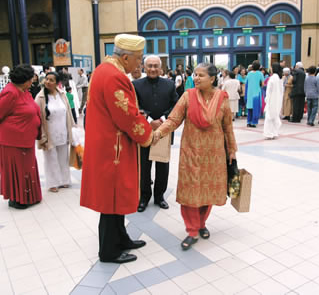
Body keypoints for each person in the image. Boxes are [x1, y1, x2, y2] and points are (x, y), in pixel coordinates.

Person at [80, 34, 153, 264]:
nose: (139, 64)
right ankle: (109, 251)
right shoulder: (114, 77)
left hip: (108, 144)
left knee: (116, 197)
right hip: (113, 150)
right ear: (125, 57)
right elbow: (126, 116)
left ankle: (121, 239)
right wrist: (148, 132)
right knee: (111, 200)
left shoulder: (105, 70)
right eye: (138, 59)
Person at [152, 63, 237, 250]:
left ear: (213, 79)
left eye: (201, 75)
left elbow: (227, 127)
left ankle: (201, 223)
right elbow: (174, 119)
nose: (196, 78)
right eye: (196, 75)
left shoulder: (222, 98)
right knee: (191, 192)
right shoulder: (188, 96)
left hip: (214, 155)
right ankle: (191, 230)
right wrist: (158, 133)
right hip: (191, 153)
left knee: (207, 191)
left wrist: (232, 150)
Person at [0, 64, 42, 209]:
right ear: (24, 80)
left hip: (26, 138)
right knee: (19, 171)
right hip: (13, 140)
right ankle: (18, 199)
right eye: (31, 79)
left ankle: (30, 197)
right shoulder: (10, 93)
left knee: (28, 168)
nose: (33, 81)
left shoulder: (24, 91)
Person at [133, 55, 179, 212]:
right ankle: (144, 197)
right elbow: (134, 106)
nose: (152, 69)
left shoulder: (170, 84)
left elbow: (176, 105)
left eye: (155, 66)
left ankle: (159, 196)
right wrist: (149, 120)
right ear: (144, 67)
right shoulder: (136, 85)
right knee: (144, 166)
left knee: (162, 165)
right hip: (144, 130)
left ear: (161, 68)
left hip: (164, 130)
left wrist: (163, 119)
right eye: (149, 66)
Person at [35, 72, 74, 192]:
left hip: (62, 131)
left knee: (63, 157)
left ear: (57, 83)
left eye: (51, 80)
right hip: (48, 132)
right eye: (47, 79)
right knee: (50, 158)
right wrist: (41, 136)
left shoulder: (62, 94)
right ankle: (53, 183)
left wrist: (72, 128)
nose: (47, 82)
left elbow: (68, 112)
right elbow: (37, 117)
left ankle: (64, 180)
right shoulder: (40, 97)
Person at [263, 62, 283, 139]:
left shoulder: (272, 78)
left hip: (271, 100)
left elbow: (269, 91)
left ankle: (268, 134)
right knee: (275, 117)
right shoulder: (279, 78)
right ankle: (274, 133)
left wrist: (267, 99)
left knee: (269, 118)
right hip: (278, 100)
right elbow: (281, 91)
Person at [245, 61, 264, 127]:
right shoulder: (260, 74)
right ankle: (254, 122)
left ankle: (248, 121)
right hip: (256, 93)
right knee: (255, 108)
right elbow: (262, 84)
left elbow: (246, 83)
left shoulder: (249, 74)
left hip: (249, 93)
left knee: (250, 108)